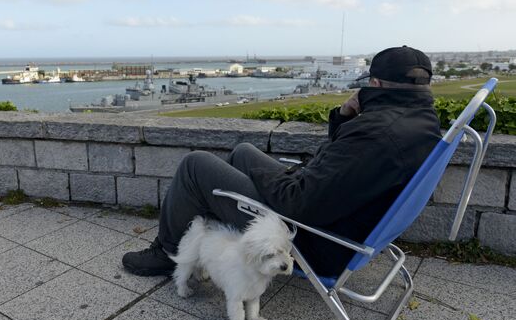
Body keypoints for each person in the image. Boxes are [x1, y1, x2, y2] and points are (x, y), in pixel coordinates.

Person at [122, 46, 441, 278]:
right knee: (244, 151)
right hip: (334, 219)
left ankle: (169, 252)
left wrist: (266, 174)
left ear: (375, 84)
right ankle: (209, 241)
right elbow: (348, 166)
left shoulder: (377, 134)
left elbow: (298, 202)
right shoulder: (420, 119)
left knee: (196, 165)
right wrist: (344, 117)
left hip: (309, 239)